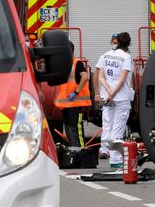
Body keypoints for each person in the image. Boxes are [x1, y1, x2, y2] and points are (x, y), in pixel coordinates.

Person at [96, 32, 134, 168]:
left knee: (108, 124)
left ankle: (105, 148)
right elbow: (123, 79)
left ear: (117, 42)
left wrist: (108, 91)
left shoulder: (106, 55)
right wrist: (114, 92)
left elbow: (100, 76)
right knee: (118, 128)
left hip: (107, 96)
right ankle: (115, 160)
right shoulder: (126, 57)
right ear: (128, 44)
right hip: (121, 97)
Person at [54, 41, 92, 147]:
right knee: (69, 129)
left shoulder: (77, 63)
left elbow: (85, 77)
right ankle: (73, 150)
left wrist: (76, 92)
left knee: (75, 128)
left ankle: (80, 150)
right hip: (66, 104)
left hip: (76, 104)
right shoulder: (65, 64)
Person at [93, 33, 119, 107]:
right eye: (114, 43)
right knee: (106, 116)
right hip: (106, 95)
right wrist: (97, 94)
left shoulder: (125, 57)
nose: (116, 45)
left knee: (119, 117)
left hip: (120, 96)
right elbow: (96, 75)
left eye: (118, 43)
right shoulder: (104, 57)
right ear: (111, 43)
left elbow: (128, 77)